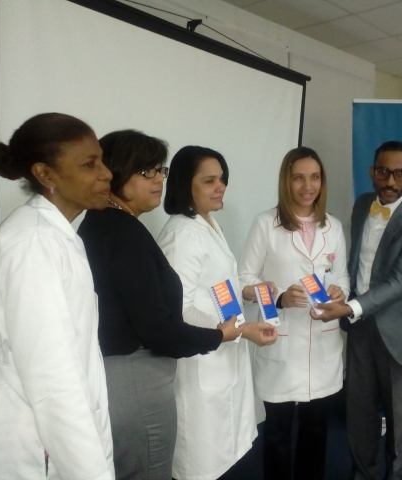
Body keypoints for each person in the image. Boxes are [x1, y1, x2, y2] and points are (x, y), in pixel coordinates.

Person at [77, 131, 245, 480]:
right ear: (115, 174)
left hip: (128, 371)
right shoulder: (126, 235)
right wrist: (219, 335)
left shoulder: (110, 225)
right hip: (136, 376)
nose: (158, 180)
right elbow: (158, 326)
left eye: (159, 170)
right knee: (150, 468)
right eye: (147, 172)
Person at [0, 113, 115, 479]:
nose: (107, 173)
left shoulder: (56, 235)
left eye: (102, 161)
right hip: (31, 438)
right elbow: (52, 375)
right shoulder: (31, 243)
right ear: (46, 174)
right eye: (89, 164)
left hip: (49, 428)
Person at [310, 141, 402, 480]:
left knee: (398, 421)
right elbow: (355, 262)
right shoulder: (362, 205)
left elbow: (401, 282)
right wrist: (340, 291)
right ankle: (362, 474)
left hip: (400, 331)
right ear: (373, 171)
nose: (390, 181)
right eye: (383, 171)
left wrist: (349, 307)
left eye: (400, 173)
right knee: (359, 412)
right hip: (359, 326)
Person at [157, 146, 277, 480]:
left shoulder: (207, 223)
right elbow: (179, 310)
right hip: (200, 365)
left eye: (222, 179)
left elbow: (213, 289)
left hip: (223, 356)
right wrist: (238, 330)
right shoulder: (182, 234)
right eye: (209, 180)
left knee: (226, 457)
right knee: (201, 463)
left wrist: (249, 292)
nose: (220, 187)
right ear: (186, 185)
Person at [238, 147, 349, 480]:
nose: (307, 186)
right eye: (298, 178)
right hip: (282, 341)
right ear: (286, 181)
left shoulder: (333, 226)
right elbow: (243, 280)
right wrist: (278, 298)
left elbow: (343, 277)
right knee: (277, 433)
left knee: (316, 431)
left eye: (314, 177)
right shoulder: (266, 224)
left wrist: (339, 292)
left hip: (323, 344)